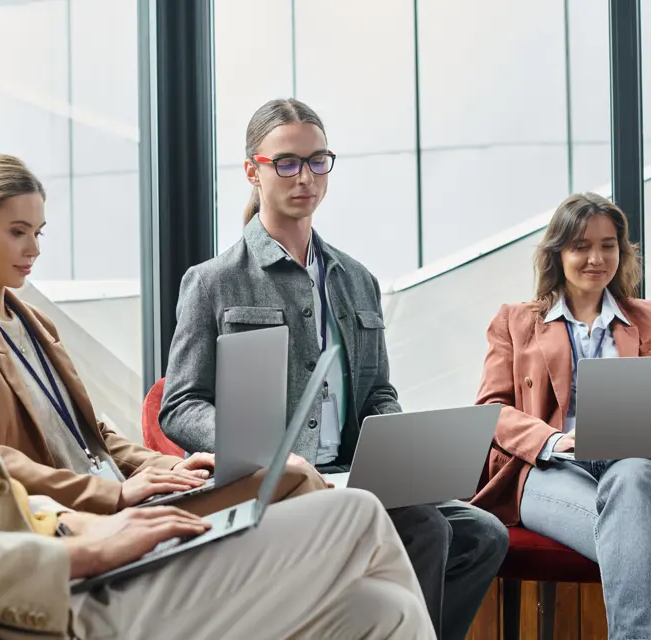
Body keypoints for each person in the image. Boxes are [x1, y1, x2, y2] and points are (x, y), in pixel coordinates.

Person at [0, 67, 436, 639]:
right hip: (54, 596)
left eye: (39, 231)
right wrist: (79, 546)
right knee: (352, 513)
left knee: (381, 608)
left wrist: (110, 503)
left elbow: (30, 462)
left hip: (79, 541)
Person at [159, 97, 508, 640]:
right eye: (288, 162)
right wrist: (266, 451)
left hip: (353, 473)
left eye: (318, 161)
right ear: (253, 170)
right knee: (423, 529)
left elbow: (378, 392)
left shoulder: (357, 279)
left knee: (482, 535)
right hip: (273, 483)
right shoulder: (213, 281)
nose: (306, 177)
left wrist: (395, 445)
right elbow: (179, 405)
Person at [0, 153, 327, 517]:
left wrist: (167, 468)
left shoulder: (34, 323)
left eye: (37, 233)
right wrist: (114, 494)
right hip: (88, 513)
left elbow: (93, 433)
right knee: (295, 480)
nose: (34, 249)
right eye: (17, 232)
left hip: (124, 497)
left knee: (301, 481)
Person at [473, 192, 651, 640]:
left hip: (631, 464)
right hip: (546, 467)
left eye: (608, 245)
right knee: (631, 534)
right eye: (581, 246)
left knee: (631, 478)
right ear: (558, 253)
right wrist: (552, 441)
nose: (596, 258)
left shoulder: (646, 320)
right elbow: (491, 409)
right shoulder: (514, 321)